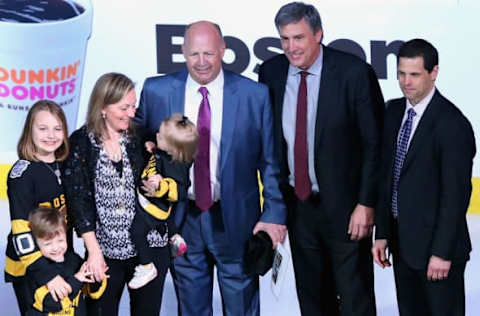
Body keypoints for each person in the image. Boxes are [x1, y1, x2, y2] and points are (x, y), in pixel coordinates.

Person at [135, 20, 287, 316]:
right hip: (180, 219)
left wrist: (274, 215)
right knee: (191, 308)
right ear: (182, 52)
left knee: (241, 306)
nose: (201, 62)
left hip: (236, 221)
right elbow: (134, 144)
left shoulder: (254, 95)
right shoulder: (156, 91)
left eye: (209, 54)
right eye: (194, 54)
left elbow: (270, 163)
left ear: (223, 50)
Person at [258, 2, 384, 316]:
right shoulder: (271, 72)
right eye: (284, 39)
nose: (291, 47)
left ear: (318, 34)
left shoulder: (354, 73)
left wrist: (367, 204)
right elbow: (270, 144)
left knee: (355, 300)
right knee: (312, 300)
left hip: (346, 210)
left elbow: (374, 145)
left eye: (298, 38)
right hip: (299, 209)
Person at [372, 39, 476, 316]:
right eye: (401, 73)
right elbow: (387, 177)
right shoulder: (393, 112)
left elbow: (455, 196)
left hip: (437, 253)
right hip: (402, 246)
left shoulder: (452, 124)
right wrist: (382, 233)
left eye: (415, 74)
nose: (406, 82)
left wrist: (441, 253)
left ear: (434, 72)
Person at [63, 72, 169, 316]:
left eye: (134, 106)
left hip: (150, 249)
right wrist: (94, 252)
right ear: (102, 107)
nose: (132, 113)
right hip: (105, 253)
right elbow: (79, 202)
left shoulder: (142, 137)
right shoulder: (80, 143)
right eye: (124, 107)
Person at [5, 100, 73, 316]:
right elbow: (21, 233)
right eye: (42, 128)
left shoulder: (66, 164)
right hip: (31, 266)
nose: (51, 135)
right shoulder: (22, 174)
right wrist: (46, 274)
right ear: (29, 131)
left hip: (58, 256)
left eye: (57, 128)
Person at [128, 113, 197, 289]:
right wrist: (154, 148)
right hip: (154, 205)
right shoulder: (166, 154)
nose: (156, 134)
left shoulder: (175, 166)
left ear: (172, 148)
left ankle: (147, 266)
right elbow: (159, 158)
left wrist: (161, 186)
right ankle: (174, 237)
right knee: (166, 221)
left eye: (160, 135)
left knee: (137, 231)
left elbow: (179, 190)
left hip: (152, 207)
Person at [25, 206, 106, 316]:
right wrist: (77, 280)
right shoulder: (38, 270)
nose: (55, 247)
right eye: (48, 244)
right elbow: (51, 304)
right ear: (36, 243)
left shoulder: (74, 259)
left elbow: (90, 292)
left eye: (60, 240)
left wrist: (96, 277)